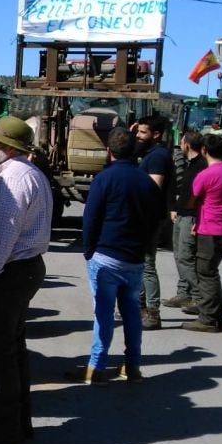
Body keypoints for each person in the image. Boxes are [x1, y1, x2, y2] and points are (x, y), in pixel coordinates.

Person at [0, 116, 52, 444]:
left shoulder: (13, 179)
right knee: (12, 350)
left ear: (6, 147)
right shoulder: (28, 173)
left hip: (10, 271)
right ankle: (17, 419)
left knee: (0, 354)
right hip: (24, 268)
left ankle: (7, 425)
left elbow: (2, 233)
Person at [75, 127, 161, 385]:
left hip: (106, 256)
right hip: (134, 258)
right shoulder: (146, 181)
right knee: (132, 312)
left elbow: (90, 218)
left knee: (103, 313)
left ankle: (96, 367)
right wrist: (145, 246)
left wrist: (88, 250)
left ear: (109, 151)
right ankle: (132, 366)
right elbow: (156, 220)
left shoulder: (104, 179)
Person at [183, 133, 222, 332]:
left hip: (209, 229)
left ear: (204, 150)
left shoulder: (205, 175)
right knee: (212, 273)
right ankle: (217, 316)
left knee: (206, 274)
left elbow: (193, 199)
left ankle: (208, 319)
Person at [135, 115, 175, 330]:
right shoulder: (150, 153)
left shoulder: (158, 156)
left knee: (147, 266)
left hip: (149, 219)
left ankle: (152, 312)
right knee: (141, 265)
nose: (138, 136)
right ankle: (140, 308)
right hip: (145, 217)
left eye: (142, 132)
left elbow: (153, 188)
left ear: (156, 134)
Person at [165, 131, 207, 314]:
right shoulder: (187, 164)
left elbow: (201, 197)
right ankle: (183, 293)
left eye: (181, 142)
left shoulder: (201, 166)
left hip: (191, 217)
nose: (180, 145)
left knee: (186, 257)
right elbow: (180, 189)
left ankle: (200, 297)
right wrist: (174, 208)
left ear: (187, 145)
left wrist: (196, 218)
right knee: (179, 255)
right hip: (181, 215)